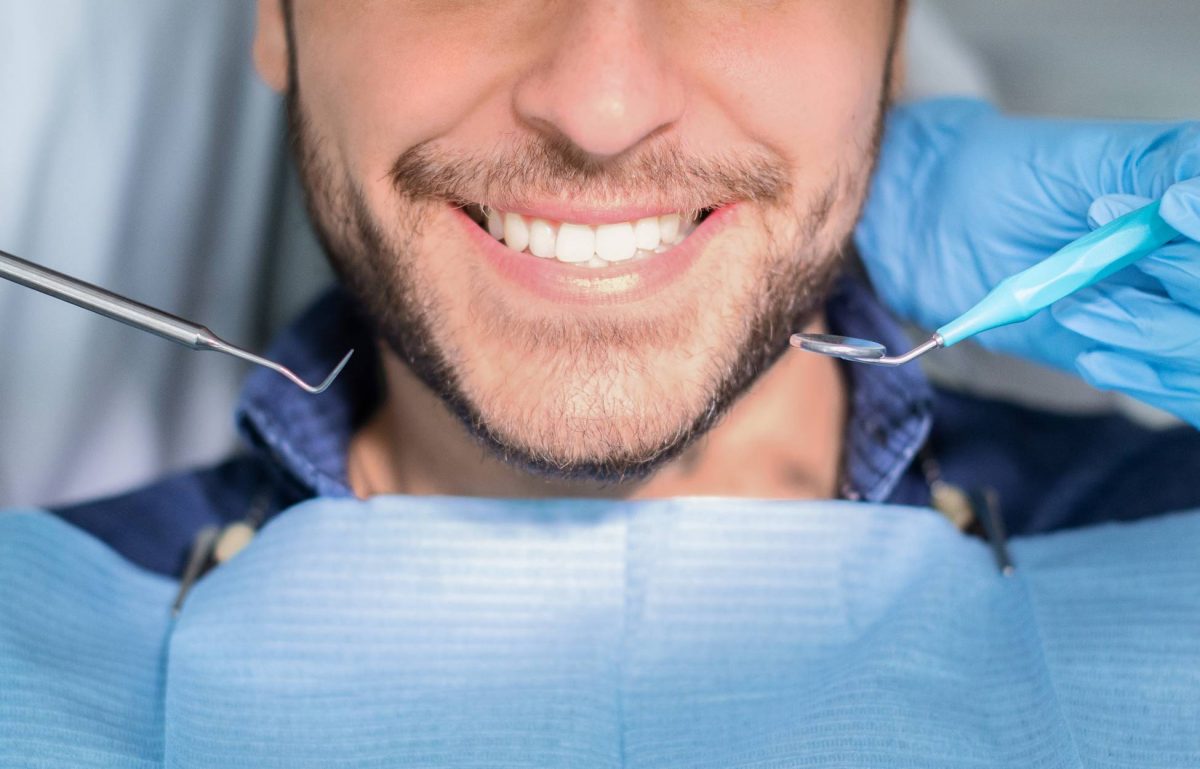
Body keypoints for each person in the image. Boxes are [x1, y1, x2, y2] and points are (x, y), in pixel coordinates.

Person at [3, 1, 1200, 761]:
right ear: (275, 14)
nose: (602, 105)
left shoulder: (1169, 539)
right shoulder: (38, 627)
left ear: (891, 32)